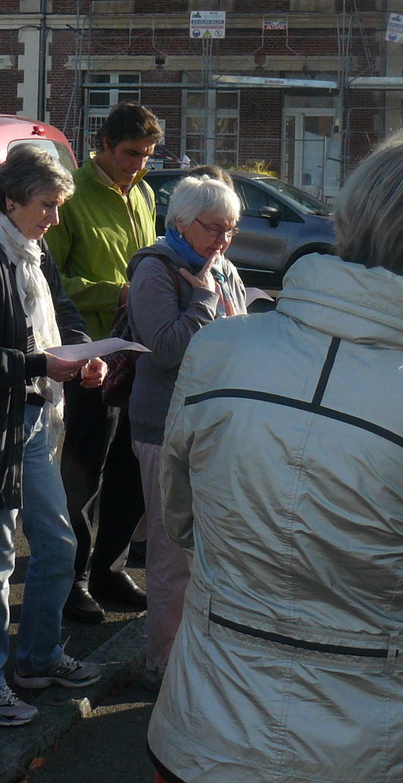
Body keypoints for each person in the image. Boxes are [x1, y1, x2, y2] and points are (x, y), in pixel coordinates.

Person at [148, 129, 403, 783]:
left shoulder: (219, 352)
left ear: (350, 216)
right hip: (382, 746)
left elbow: (180, 521)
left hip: (208, 729)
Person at [0, 144, 108, 727]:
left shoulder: (31, 250)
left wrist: (85, 354)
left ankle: (37, 658)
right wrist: (40, 365)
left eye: (60, 205)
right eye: (47, 205)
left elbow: (63, 311)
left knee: (58, 546)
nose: (54, 219)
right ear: (10, 200)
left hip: (36, 418)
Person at [125, 174, 248, 691]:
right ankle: (163, 662)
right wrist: (201, 303)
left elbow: (238, 328)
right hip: (164, 426)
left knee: (214, 551)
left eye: (231, 230)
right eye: (213, 228)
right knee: (172, 553)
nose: (222, 240)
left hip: (218, 425)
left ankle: (199, 655)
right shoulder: (154, 270)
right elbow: (166, 347)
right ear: (179, 223)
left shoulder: (222, 267)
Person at [46, 101, 162, 623]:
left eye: (146, 156)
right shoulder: (68, 196)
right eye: (130, 154)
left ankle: (108, 570)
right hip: (87, 355)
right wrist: (109, 293)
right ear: (103, 147)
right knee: (84, 472)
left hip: (133, 354)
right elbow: (46, 280)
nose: (137, 165)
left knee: (129, 467)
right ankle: (69, 580)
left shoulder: (143, 194)